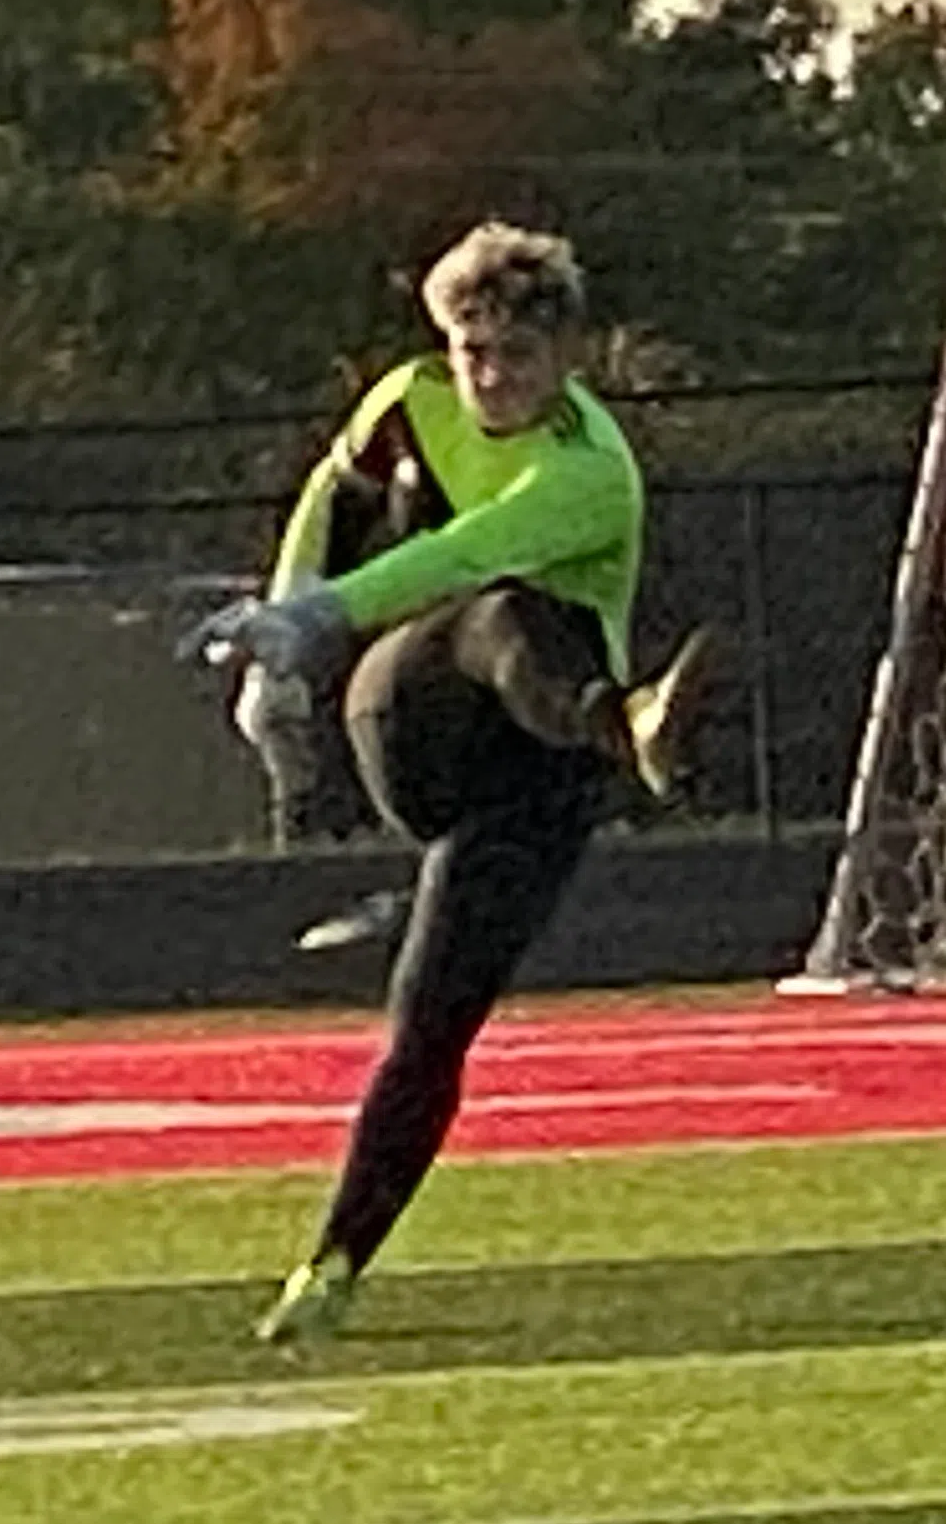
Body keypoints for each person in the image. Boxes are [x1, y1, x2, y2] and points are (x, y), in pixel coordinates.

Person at [179, 222, 715, 1345]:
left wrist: (303, 621)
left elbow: (453, 553)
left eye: (517, 355)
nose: (490, 377)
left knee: (429, 1026)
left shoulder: (587, 470)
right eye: (474, 351)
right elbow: (338, 497)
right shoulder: (409, 398)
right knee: (500, 615)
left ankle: (329, 1265)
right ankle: (627, 720)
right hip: (412, 714)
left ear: (567, 355)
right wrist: (287, 634)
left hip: (537, 777)